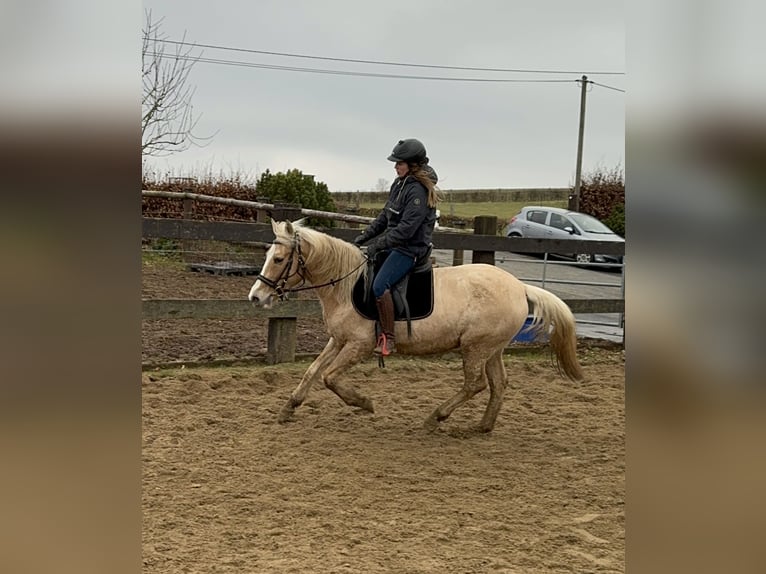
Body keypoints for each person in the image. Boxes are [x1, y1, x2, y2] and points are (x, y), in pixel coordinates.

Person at [353, 138, 440, 356]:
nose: (395, 166)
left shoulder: (418, 191)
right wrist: (364, 237)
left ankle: (389, 338)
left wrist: (378, 245)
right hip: (396, 244)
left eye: (399, 163)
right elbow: (385, 216)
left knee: (380, 285)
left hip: (410, 249)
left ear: (412, 165)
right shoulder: (399, 184)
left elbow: (406, 230)